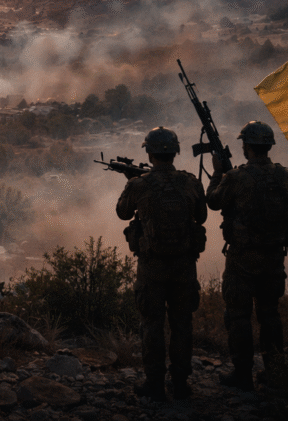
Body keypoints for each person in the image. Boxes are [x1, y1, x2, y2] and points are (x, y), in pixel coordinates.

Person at [207, 121, 288, 392]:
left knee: (238, 316)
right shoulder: (287, 177)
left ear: (247, 147)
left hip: (242, 259)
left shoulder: (236, 177)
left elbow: (213, 201)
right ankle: (275, 373)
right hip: (274, 258)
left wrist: (217, 173)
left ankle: (242, 375)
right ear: (269, 146)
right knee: (270, 314)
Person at [117, 127, 206, 401]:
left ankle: (154, 383)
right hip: (183, 265)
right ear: (175, 152)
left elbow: (122, 212)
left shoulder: (139, 184)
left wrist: (133, 180)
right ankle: (180, 384)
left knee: (152, 324)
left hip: (152, 266)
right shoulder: (191, 183)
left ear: (149, 152)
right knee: (182, 324)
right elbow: (201, 216)